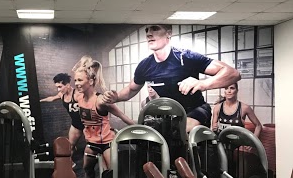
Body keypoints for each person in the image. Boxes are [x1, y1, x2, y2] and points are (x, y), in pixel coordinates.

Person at [103, 24, 241, 133]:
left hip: (195, 110)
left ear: (168, 33)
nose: (149, 34)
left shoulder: (186, 57)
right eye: (147, 30)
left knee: (181, 129)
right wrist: (116, 97)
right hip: (168, 114)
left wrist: (202, 84)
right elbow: (131, 90)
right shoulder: (145, 65)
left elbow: (233, 74)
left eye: (155, 29)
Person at [73, 56, 135, 178]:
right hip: (91, 142)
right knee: (87, 169)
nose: (76, 83)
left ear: (90, 81)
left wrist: (142, 129)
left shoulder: (101, 101)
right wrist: (83, 64)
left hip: (107, 143)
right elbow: (75, 71)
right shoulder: (78, 97)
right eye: (75, 80)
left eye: (80, 80)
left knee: (113, 172)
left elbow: (122, 116)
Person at [40, 73, 84, 165]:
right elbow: (52, 98)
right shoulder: (61, 95)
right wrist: (39, 101)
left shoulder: (77, 95)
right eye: (57, 87)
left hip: (87, 124)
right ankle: (69, 164)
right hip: (76, 125)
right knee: (70, 146)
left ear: (67, 85)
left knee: (93, 146)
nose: (58, 90)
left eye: (60, 87)